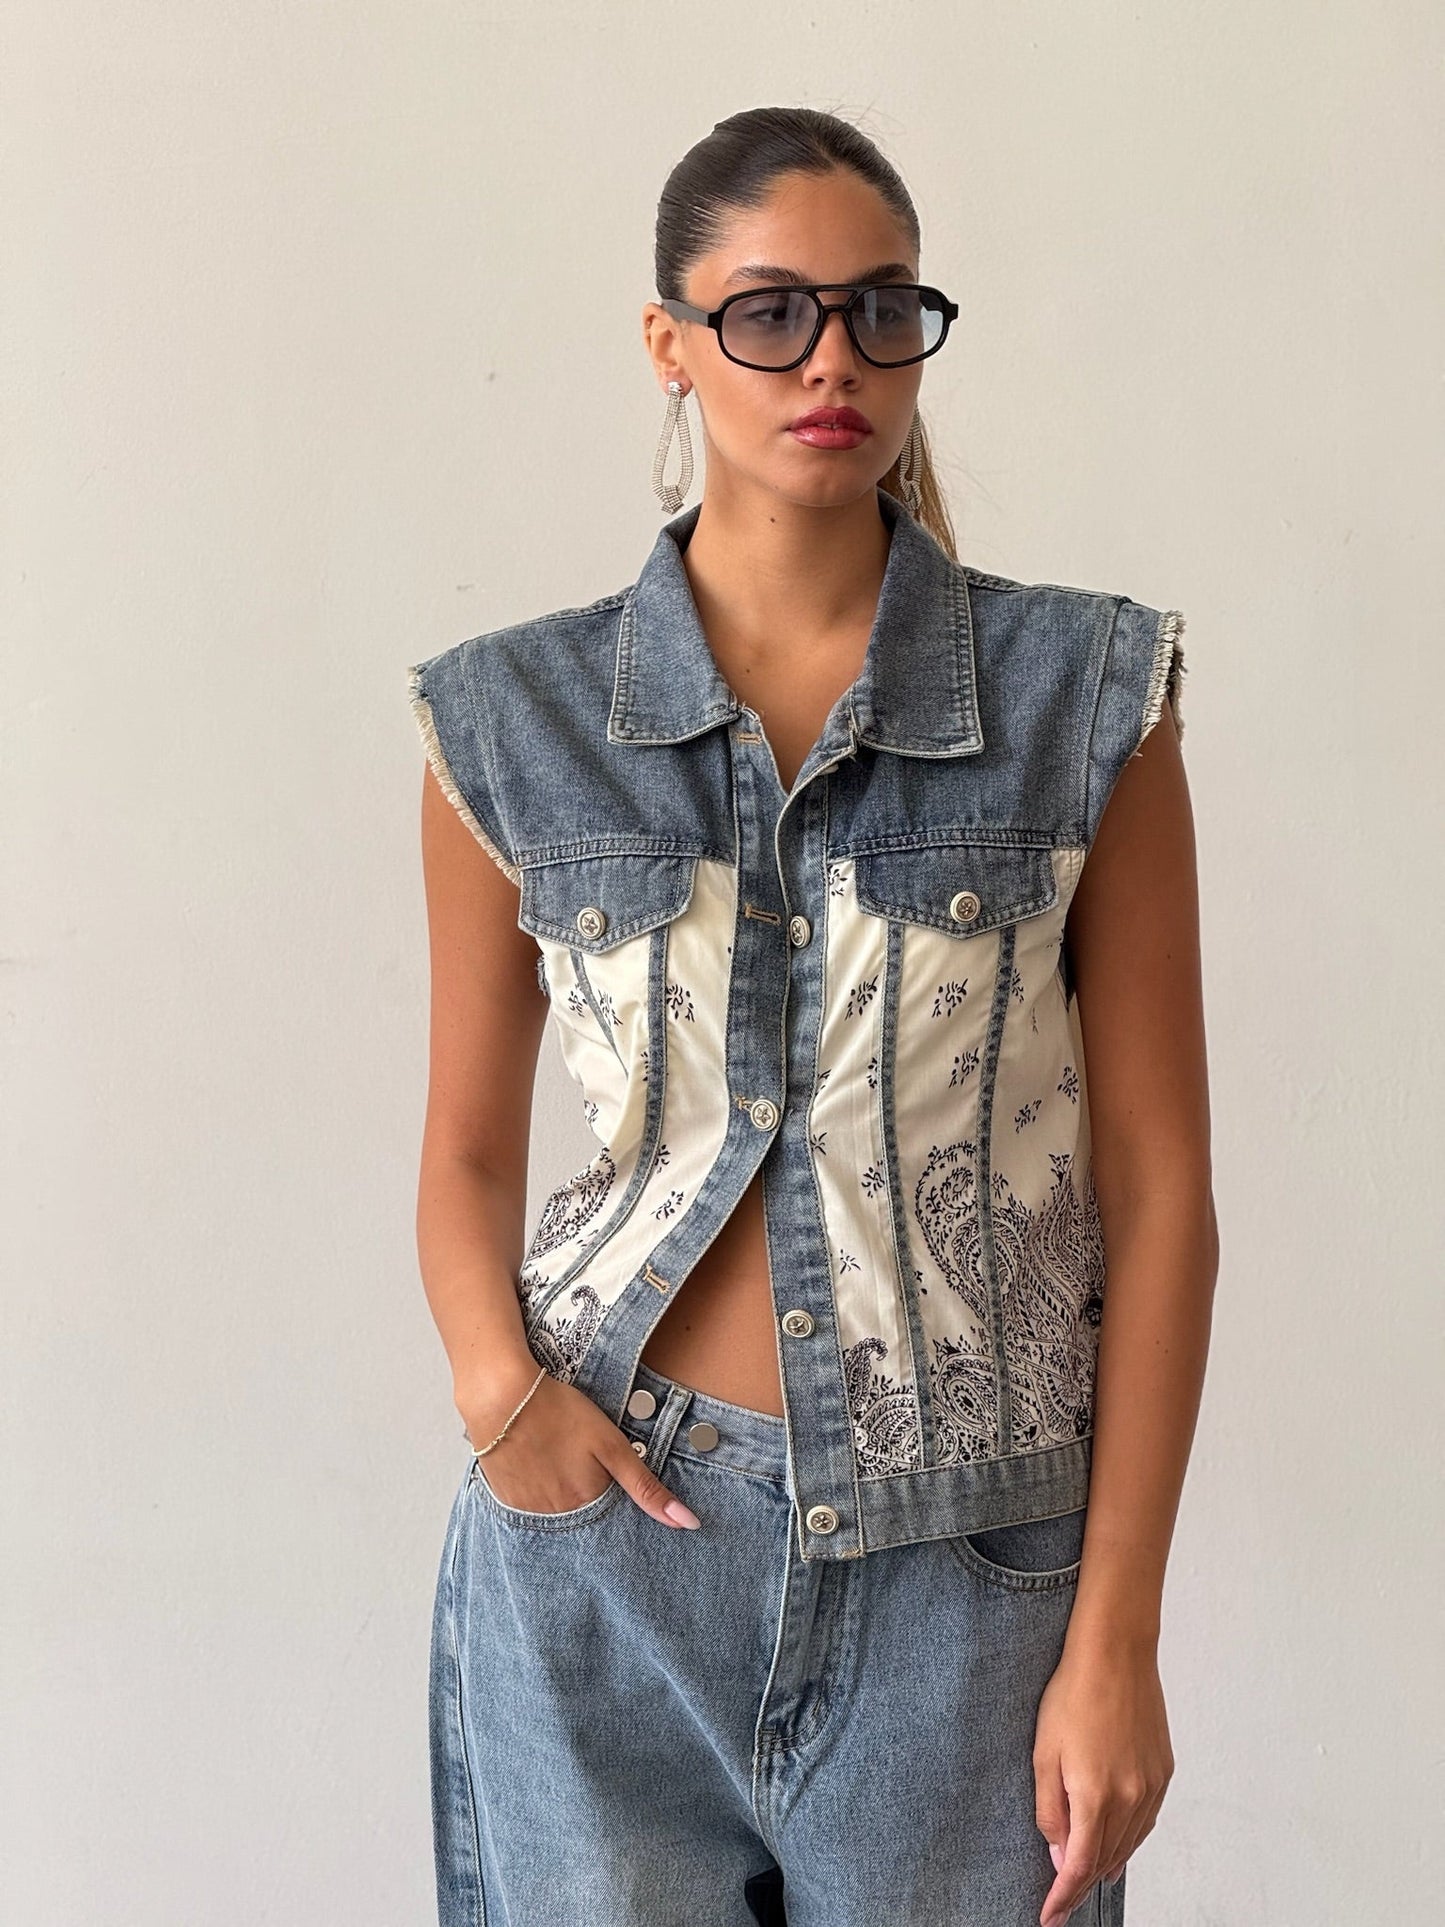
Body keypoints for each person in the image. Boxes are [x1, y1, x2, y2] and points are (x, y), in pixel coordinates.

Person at [406, 105, 1216, 1927]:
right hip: (605, 1549)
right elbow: (460, 1148)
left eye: (878, 310)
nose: (831, 360)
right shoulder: (509, 720)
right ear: (670, 342)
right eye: (768, 312)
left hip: (974, 1570)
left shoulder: (1087, 695)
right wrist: (497, 1395)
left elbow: (1160, 1187)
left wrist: (1116, 1634)